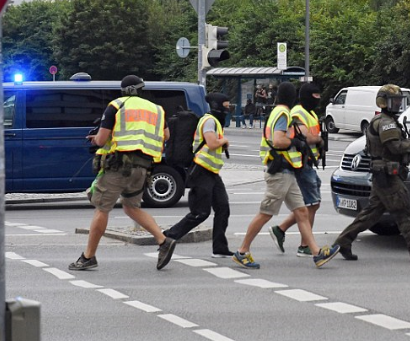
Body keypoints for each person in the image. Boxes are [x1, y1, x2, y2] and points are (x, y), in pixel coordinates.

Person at [69, 75, 176, 271]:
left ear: (125, 90)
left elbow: (102, 140)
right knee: (131, 208)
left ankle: (88, 257)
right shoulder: (157, 109)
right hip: (143, 168)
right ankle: (163, 240)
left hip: (118, 167)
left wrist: (95, 139)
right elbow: (166, 135)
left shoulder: (117, 105)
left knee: (102, 208)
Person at [233, 82, 339, 269]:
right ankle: (242, 251)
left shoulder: (279, 112)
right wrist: (296, 142)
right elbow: (278, 140)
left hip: (287, 171)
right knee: (265, 213)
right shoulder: (282, 114)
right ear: (291, 97)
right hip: (280, 172)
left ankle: (316, 253)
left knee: (302, 212)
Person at [334, 84, 410, 264]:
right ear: (384, 102)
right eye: (394, 101)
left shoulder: (387, 120)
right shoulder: (386, 123)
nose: (398, 104)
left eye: (399, 100)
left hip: (383, 174)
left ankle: (343, 242)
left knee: (370, 214)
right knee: (406, 212)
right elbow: (394, 147)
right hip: (388, 176)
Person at [163, 93, 233, 258]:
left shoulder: (215, 122)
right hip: (201, 171)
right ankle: (168, 237)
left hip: (212, 172)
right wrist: (224, 141)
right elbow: (212, 143)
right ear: (216, 106)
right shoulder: (209, 121)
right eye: (226, 106)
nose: (228, 109)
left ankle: (220, 248)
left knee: (223, 208)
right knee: (200, 213)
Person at [268, 83, 325, 257]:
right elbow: (305, 136)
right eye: (314, 97)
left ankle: (281, 230)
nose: (316, 100)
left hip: (307, 162)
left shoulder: (310, 113)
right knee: (311, 204)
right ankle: (304, 246)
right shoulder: (297, 112)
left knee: (308, 205)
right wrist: (319, 140)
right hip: (301, 163)